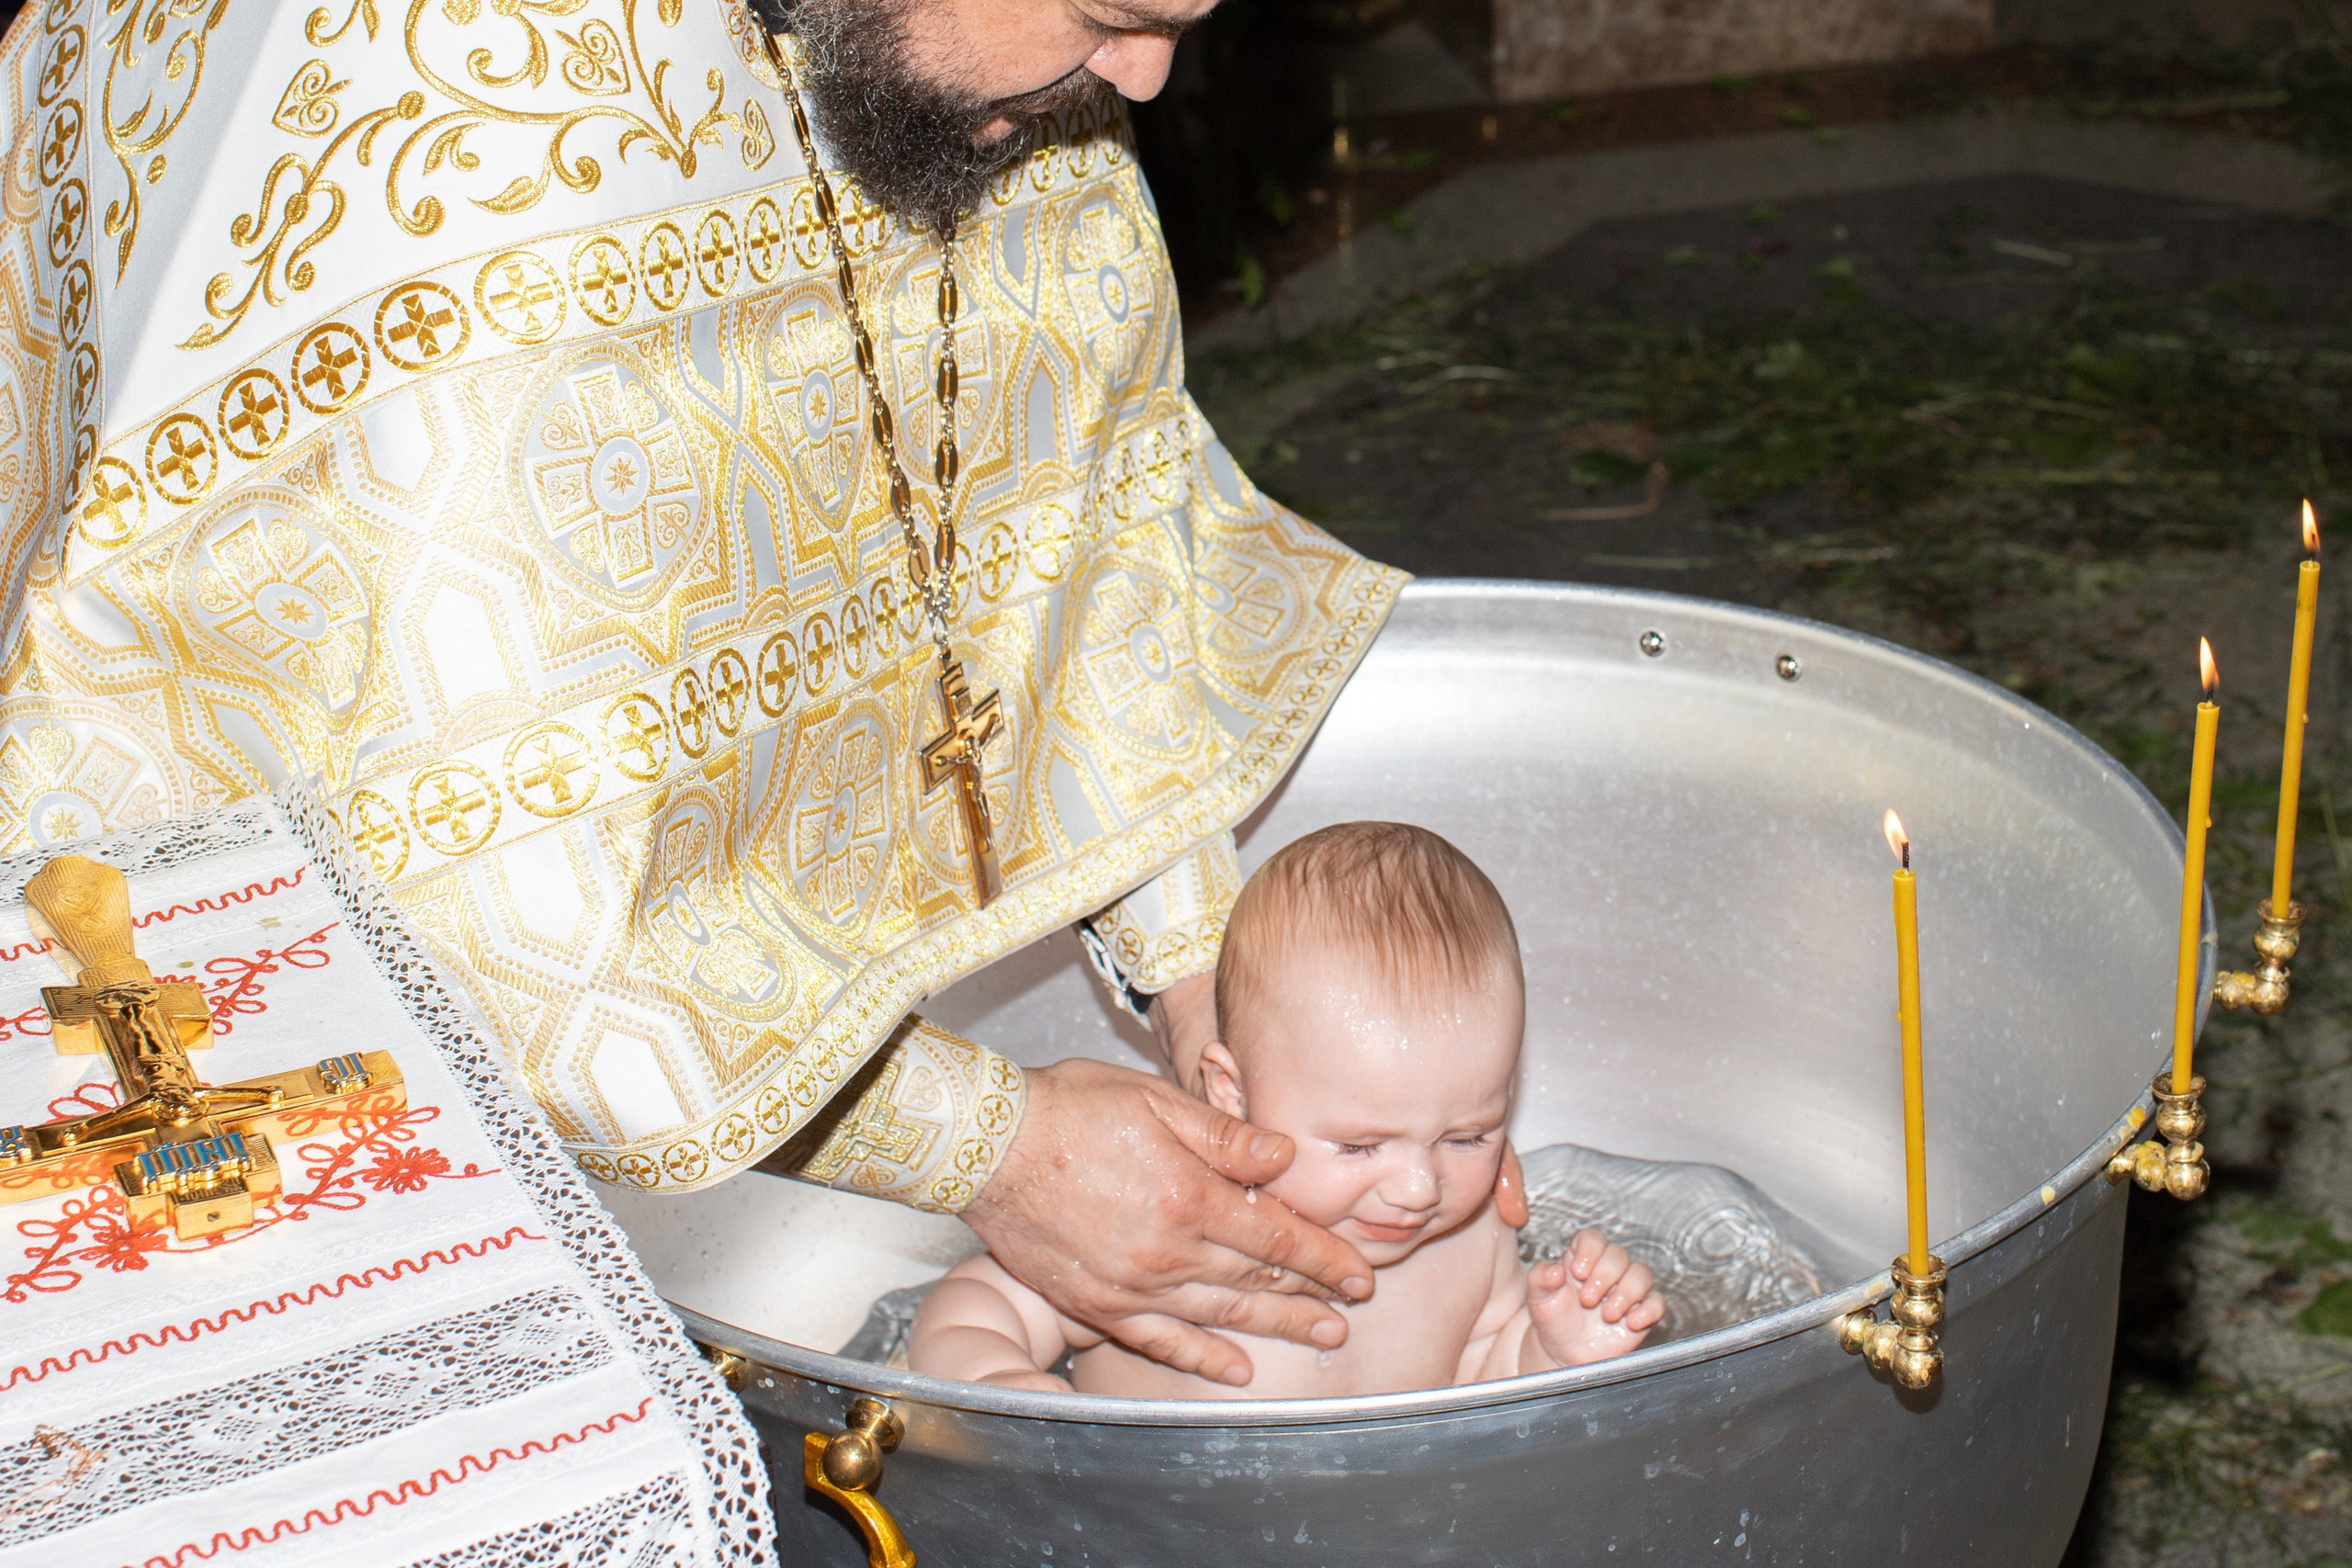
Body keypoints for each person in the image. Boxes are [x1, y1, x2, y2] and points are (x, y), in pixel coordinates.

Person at [0, 0, 1530, 1388]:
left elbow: (1059, 458)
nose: (1142, 76)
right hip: (181, 985)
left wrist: (1202, 970)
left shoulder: (974, 58)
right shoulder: (465, 170)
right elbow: (482, 872)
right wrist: (993, 1143)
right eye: (1110, 15)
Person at [910, 822, 1666, 1395]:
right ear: (1234, 1095)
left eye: (1467, 1135)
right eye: (1361, 1146)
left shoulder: (1469, 1245)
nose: (1418, 1187)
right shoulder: (1162, 1216)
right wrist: (1003, 1388)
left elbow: (1480, 1379)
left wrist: (1555, 1344)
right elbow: (974, 1307)